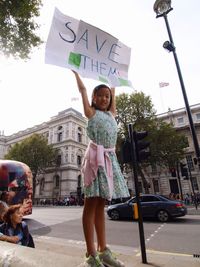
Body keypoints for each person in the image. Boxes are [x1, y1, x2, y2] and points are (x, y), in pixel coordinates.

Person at [72, 71, 130, 267]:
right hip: (95, 161)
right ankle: (90, 254)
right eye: (101, 96)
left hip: (109, 161)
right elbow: (82, 89)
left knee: (100, 207)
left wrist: (113, 78)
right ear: (94, 98)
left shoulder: (112, 114)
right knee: (90, 206)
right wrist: (76, 73)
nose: (105, 98)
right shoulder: (91, 113)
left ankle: (103, 250)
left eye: (108, 96)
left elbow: (114, 89)